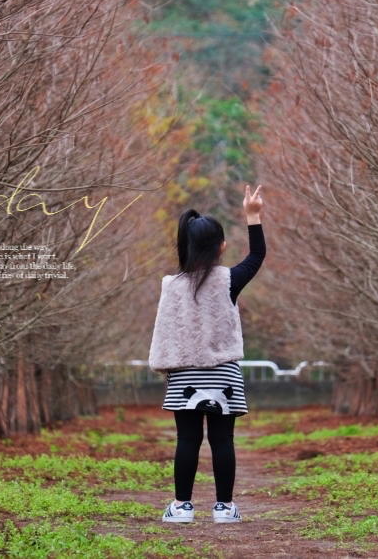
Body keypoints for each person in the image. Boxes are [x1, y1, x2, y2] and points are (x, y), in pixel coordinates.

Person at [149, 185, 265, 524]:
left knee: (187, 439)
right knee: (222, 439)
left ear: (185, 246)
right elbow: (257, 256)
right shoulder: (229, 280)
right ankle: (224, 508)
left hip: (184, 375)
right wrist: (253, 215)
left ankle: (182, 507)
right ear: (221, 247)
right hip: (223, 373)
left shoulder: (171, 285)